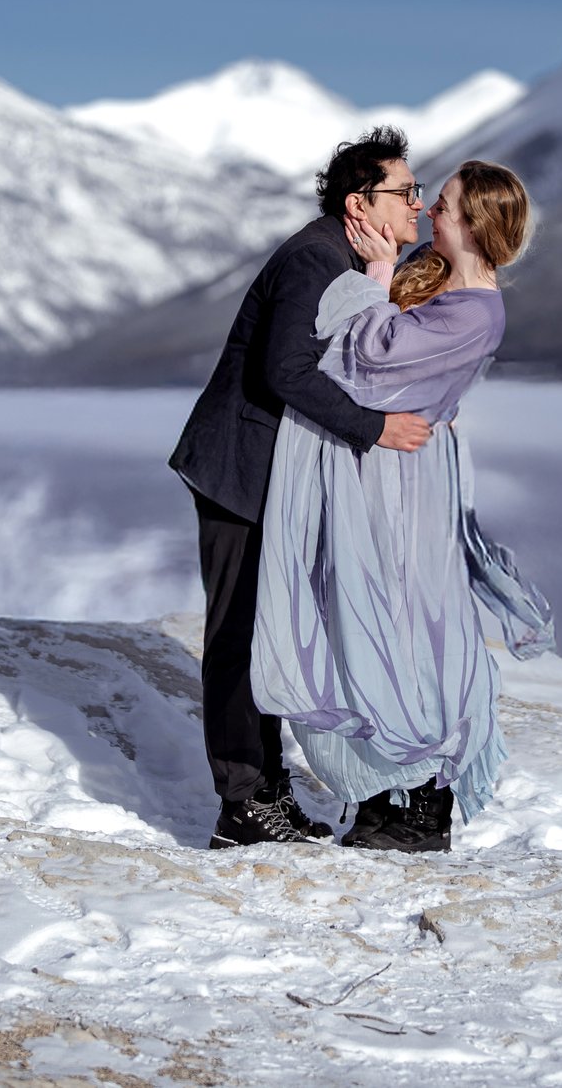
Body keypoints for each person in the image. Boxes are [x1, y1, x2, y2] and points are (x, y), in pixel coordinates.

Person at [252, 159, 554, 853]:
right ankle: (387, 795)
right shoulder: (439, 278)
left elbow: (370, 359)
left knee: (407, 627)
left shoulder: (476, 312)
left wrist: (380, 273)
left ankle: (422, 806)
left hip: (404, 487)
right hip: (381, 475)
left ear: (475, 222)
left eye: (444, 204)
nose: (429, 212)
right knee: (371, 622)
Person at [168, 127, 435, 849]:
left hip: (268, 474)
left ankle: (267, 789)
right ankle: (242, 806)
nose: (419, 202)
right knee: (237, 636)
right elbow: (284, 370)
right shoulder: (314, 258)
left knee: (268, 631)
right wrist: (374, 429)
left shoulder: (345, 256)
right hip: (239, 470)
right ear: (360, 202)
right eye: (406, 191)